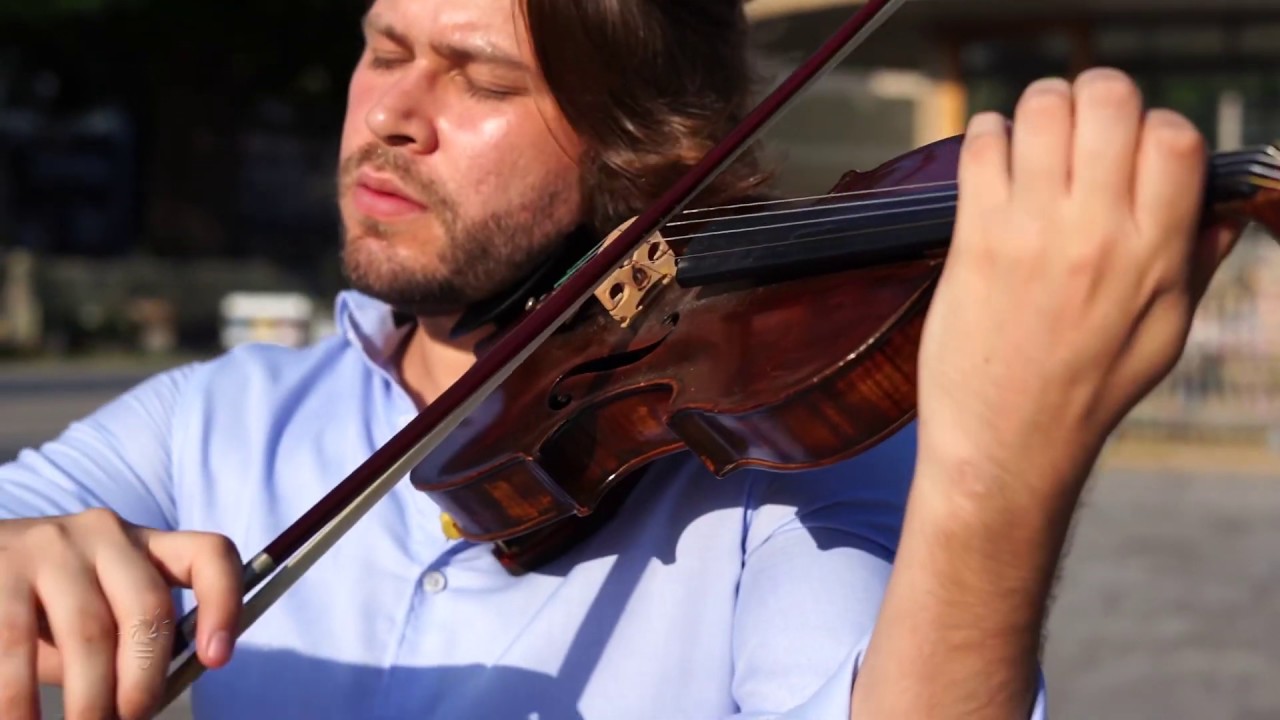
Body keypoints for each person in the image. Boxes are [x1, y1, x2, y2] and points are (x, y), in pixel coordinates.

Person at [0, 0, 1243, 718]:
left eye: (477, 73)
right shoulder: (211, 419)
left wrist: (995, 479)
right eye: (386, 48)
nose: (390, 114)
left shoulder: (775, 472)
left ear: (645, 151)